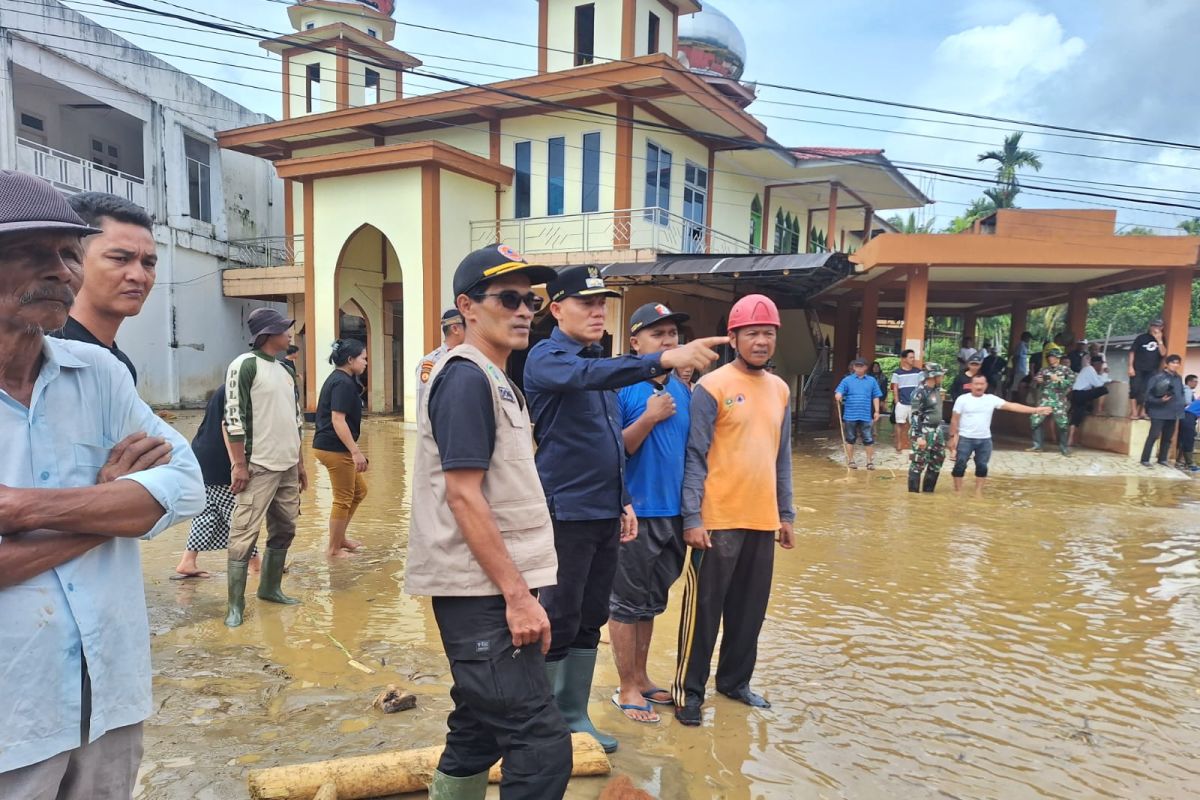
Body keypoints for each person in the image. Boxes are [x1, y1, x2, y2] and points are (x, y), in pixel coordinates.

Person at [0, 171, 204, 798]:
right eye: (33, 252)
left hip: (108, 691)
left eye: (67, 252)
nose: (61, 270)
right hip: (13, 708)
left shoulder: (99, 374)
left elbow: (187, 485)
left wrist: (19, 508)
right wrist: (111, 503)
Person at [524, 265, 724, 753]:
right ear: (556, 310)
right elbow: (589, 376)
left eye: (601, 304)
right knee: (560, 614)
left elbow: (610, 442)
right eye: (585, 303)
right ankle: (543, 721)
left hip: (604, 511)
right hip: (565, 510)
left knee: (593, 614)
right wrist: (663, 357)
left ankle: (574, 715)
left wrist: (623, 500)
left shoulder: (599, 363)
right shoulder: (548, 358)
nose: (596, 312)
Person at [405, 244, 572, 798]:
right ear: (468, 307)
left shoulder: (498, 378)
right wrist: (517, 595)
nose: (524, 311)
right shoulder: (465, 379)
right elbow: (464, 497)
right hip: (482, 594)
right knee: (541, 746)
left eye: (532, 300)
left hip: (498, 588)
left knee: (478, 728)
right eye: (508, 298)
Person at [673, 294, 795, 727]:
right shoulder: (712, 386)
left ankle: (734, 682)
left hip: (761, 519)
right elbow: (695, 455)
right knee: (703, 613)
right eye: (753, 333)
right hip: (717, 521)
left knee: (749, 611)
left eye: (768, 333)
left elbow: (782, 457)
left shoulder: (780, 390)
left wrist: (787, 514)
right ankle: (689, 692)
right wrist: (693, 517)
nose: (761, 341)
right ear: (735, 337)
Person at [609, 303, 692, 724]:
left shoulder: (683, 388)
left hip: (673, 515)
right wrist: (649, 418)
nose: (668, 341)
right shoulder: (620, 388)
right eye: (658, 334)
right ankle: (624, 686)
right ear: (635, 342)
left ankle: (641, 677)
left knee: (650, 603)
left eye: (673, 334)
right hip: (633, 513)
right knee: (625, 603)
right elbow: (612, 450)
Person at [223, 307, 307, 628]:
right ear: (268, 334)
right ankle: (234, 605)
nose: (290, 334)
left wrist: (300, 464)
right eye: (285, 330)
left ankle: (270, 588)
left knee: (285, 527)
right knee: (245, 531)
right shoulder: (244, 366)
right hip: (258, 464)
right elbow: (233, 417)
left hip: (287, 463)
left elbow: (296, 420)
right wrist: (239, 465)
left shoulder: (286, 371)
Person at [50, 192, 156, 383]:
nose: (139, 276)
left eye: (148, 263)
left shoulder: (121, 365)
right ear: (72, 259)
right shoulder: (42, 355)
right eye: (120, 259)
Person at [174, 384, 260, 580]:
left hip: (202, 453)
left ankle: (187, 561)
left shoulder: (226, 387)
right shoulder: (240, 390)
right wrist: (237, 465)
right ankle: (256, 564)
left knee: (207, 511)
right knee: (238, 515)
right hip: (220, 458)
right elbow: (228, 425)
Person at [313, 339, 370, 558]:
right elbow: (338, 419)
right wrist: (355, 452)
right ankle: (333, 549)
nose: (366, 362)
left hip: (333, 446)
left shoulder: (342, 380)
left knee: (359, 491)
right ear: (350, 360)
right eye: (363, 358)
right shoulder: (342, 383)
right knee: (344, 497)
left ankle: (340, 538)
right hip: (334, 448)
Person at [950, 374, 1049, 495]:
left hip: (984, 439)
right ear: (971, 385)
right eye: (976, 384)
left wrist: (1035, 410)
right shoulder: (962, 399)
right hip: (966, 438)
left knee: (982, 466)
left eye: (982, 384)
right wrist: (952, 439)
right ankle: (958, 492)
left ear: (986, 385)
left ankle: (978, 492)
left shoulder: (991, 399)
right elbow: (954, 420)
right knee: (960, 465)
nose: (979, 386)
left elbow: (1012, 406)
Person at [835, 358, 883, 469]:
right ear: (853, 367)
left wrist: (876, 411)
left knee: (868, 438)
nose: (858, 368)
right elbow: (839, 391)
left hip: (865, 415)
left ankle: (869, 462)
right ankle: (851, 461)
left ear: (866, 367)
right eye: (856, 366)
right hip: (850, 415)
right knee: (850, 438)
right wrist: (838, 395)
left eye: (861, 366)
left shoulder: (871, 381)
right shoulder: (847, 380)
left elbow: (875, 396)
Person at [1140, 354, 1186, 468]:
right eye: (1173, 362)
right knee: (1153, 436)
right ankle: (1145, 459)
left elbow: (1180, 393)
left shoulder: (1178, 378)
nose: (1175, 365)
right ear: (1167, 364)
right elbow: (1147, 396)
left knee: (1168, 437)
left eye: (1177, 363)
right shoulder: (1157, 377)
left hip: (1174, 412)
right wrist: (1160, 400)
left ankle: (1162, 459)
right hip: (1158, 411)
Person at [907, 362, 947, 493]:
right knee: (918, 463)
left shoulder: (936, 390)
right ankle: (913, 497)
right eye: (941, 375)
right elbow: (915, 415)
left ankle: (928, 494)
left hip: (937, 430)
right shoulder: (919, 392)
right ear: (933, 376)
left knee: (937, 460)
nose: (943, 377)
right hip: (923, 430)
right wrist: (918, 436)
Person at [416, 308, 466, 409]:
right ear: (455, 329)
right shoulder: (431, 362)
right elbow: (425, 404)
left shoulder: (469, 358)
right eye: (468, 326)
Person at [1029, 347, 1075, 456]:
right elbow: (1037, 380)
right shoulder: (1044, 369)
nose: (1050, 359)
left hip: (1059, 399)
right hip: (1045, 399)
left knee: (1063, 424)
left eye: (1053, 357)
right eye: (1049, 357)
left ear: (1058, 358)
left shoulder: (1066, 370)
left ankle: (1064, 448)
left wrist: (1059, 380)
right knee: (1035, 420)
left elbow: (1071, 383)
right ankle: (1037, 445)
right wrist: (1038, 380)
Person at [1067, 355, 1111, 448]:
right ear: (1097, 364)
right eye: (1100, 365)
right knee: (1103, 390)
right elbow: (1098, 384)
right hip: (1080, 394)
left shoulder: (1088, 369)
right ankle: (1098, 410)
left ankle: (1071, 440)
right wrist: (1104, 373)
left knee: (1077, 416)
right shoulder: (1089, 369)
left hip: (1076, 394)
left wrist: (1102, 374)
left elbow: (1097, 380)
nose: (1101, 367)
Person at [1128, 319, 1165, 420]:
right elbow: (1132, 352)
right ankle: (1134, 412)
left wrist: (1159, 340)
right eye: (1154, 326)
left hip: (1152, 369)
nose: (1156, 328)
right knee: (1135, 389)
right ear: (1150, 326)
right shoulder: (1141, 338)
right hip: (1138, 368)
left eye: (1158, 326)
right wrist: (1130, 366)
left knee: (1147, 391)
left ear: (1162, 328)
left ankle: (1143, 412)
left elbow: (1163, 353)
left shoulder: (1162, 339)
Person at [890, 350, 923, 452]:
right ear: (904, 359)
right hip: (902, 402)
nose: (913, 359)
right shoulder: (897, 373)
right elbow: (895, 387)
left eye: (913, 357)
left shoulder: (918, 372)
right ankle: (899, 442)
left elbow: (922, 386)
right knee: (899, 423)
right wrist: (896, 402)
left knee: (915, 425)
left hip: (915, 403)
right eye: (910, 357)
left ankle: (913, 444)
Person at [1179, 386, 1200, 472]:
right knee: (1188, 440)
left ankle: (1184, 462)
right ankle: (1189, 464)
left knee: (1186, 439)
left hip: (1187, 416)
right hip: (1189, 417)